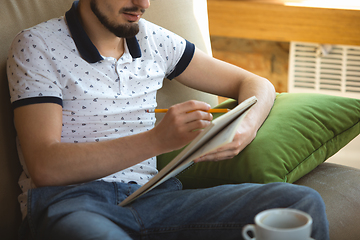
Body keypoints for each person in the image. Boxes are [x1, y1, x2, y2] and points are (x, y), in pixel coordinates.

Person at [7, 0, 329, 239]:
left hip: (157, 201)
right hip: (74, 204)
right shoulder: (36, 45)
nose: (143, 4)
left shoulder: (153, 41)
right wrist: (158, 140)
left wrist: (245, 128)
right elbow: (46, 166)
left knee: (301, 205)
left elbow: (258, 85)